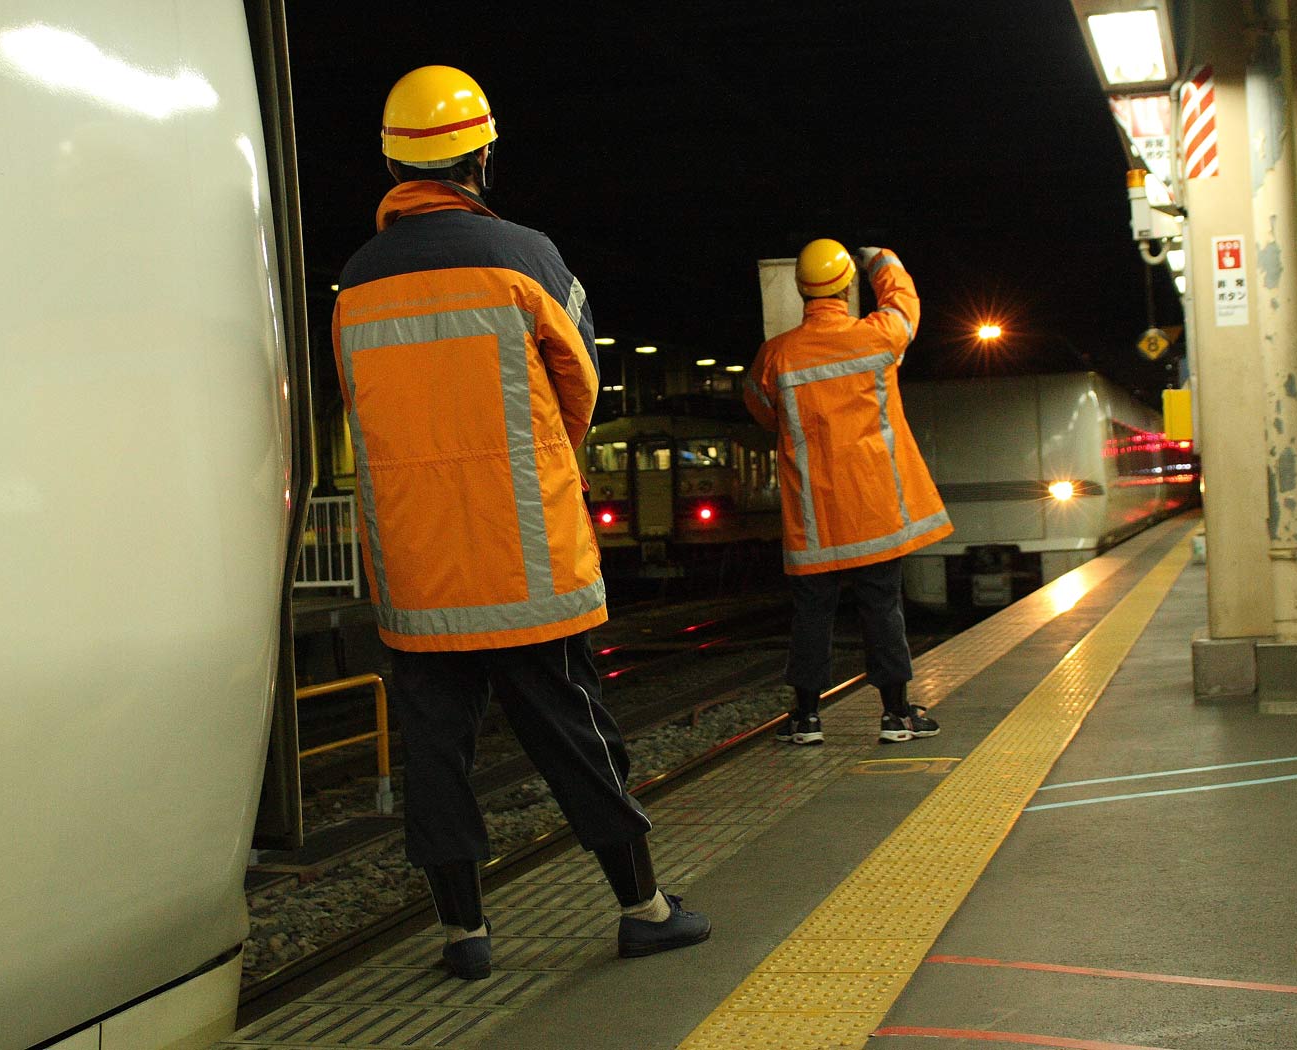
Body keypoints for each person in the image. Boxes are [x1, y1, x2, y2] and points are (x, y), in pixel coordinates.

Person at [331, 65, 709, 980]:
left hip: (418, 571)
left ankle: (465, 936)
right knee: (576, 735)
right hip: (525, 558)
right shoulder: (525, 257)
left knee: (435, 757)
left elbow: (357, 409)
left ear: (393, 164)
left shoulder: (353, 282)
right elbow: (579, 387)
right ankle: (642, 907)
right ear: (481, 157)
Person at [744, 239, 953, 745]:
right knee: (883, 607)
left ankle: (806, 719)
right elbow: (905, 304)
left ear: (800, 289)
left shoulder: (776, 356)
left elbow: (761, 410)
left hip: (814, 516)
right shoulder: (877, 339)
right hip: (875, 508)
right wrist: (880, 259)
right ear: (846, 285)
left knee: (813, 613)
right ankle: (897, 714)